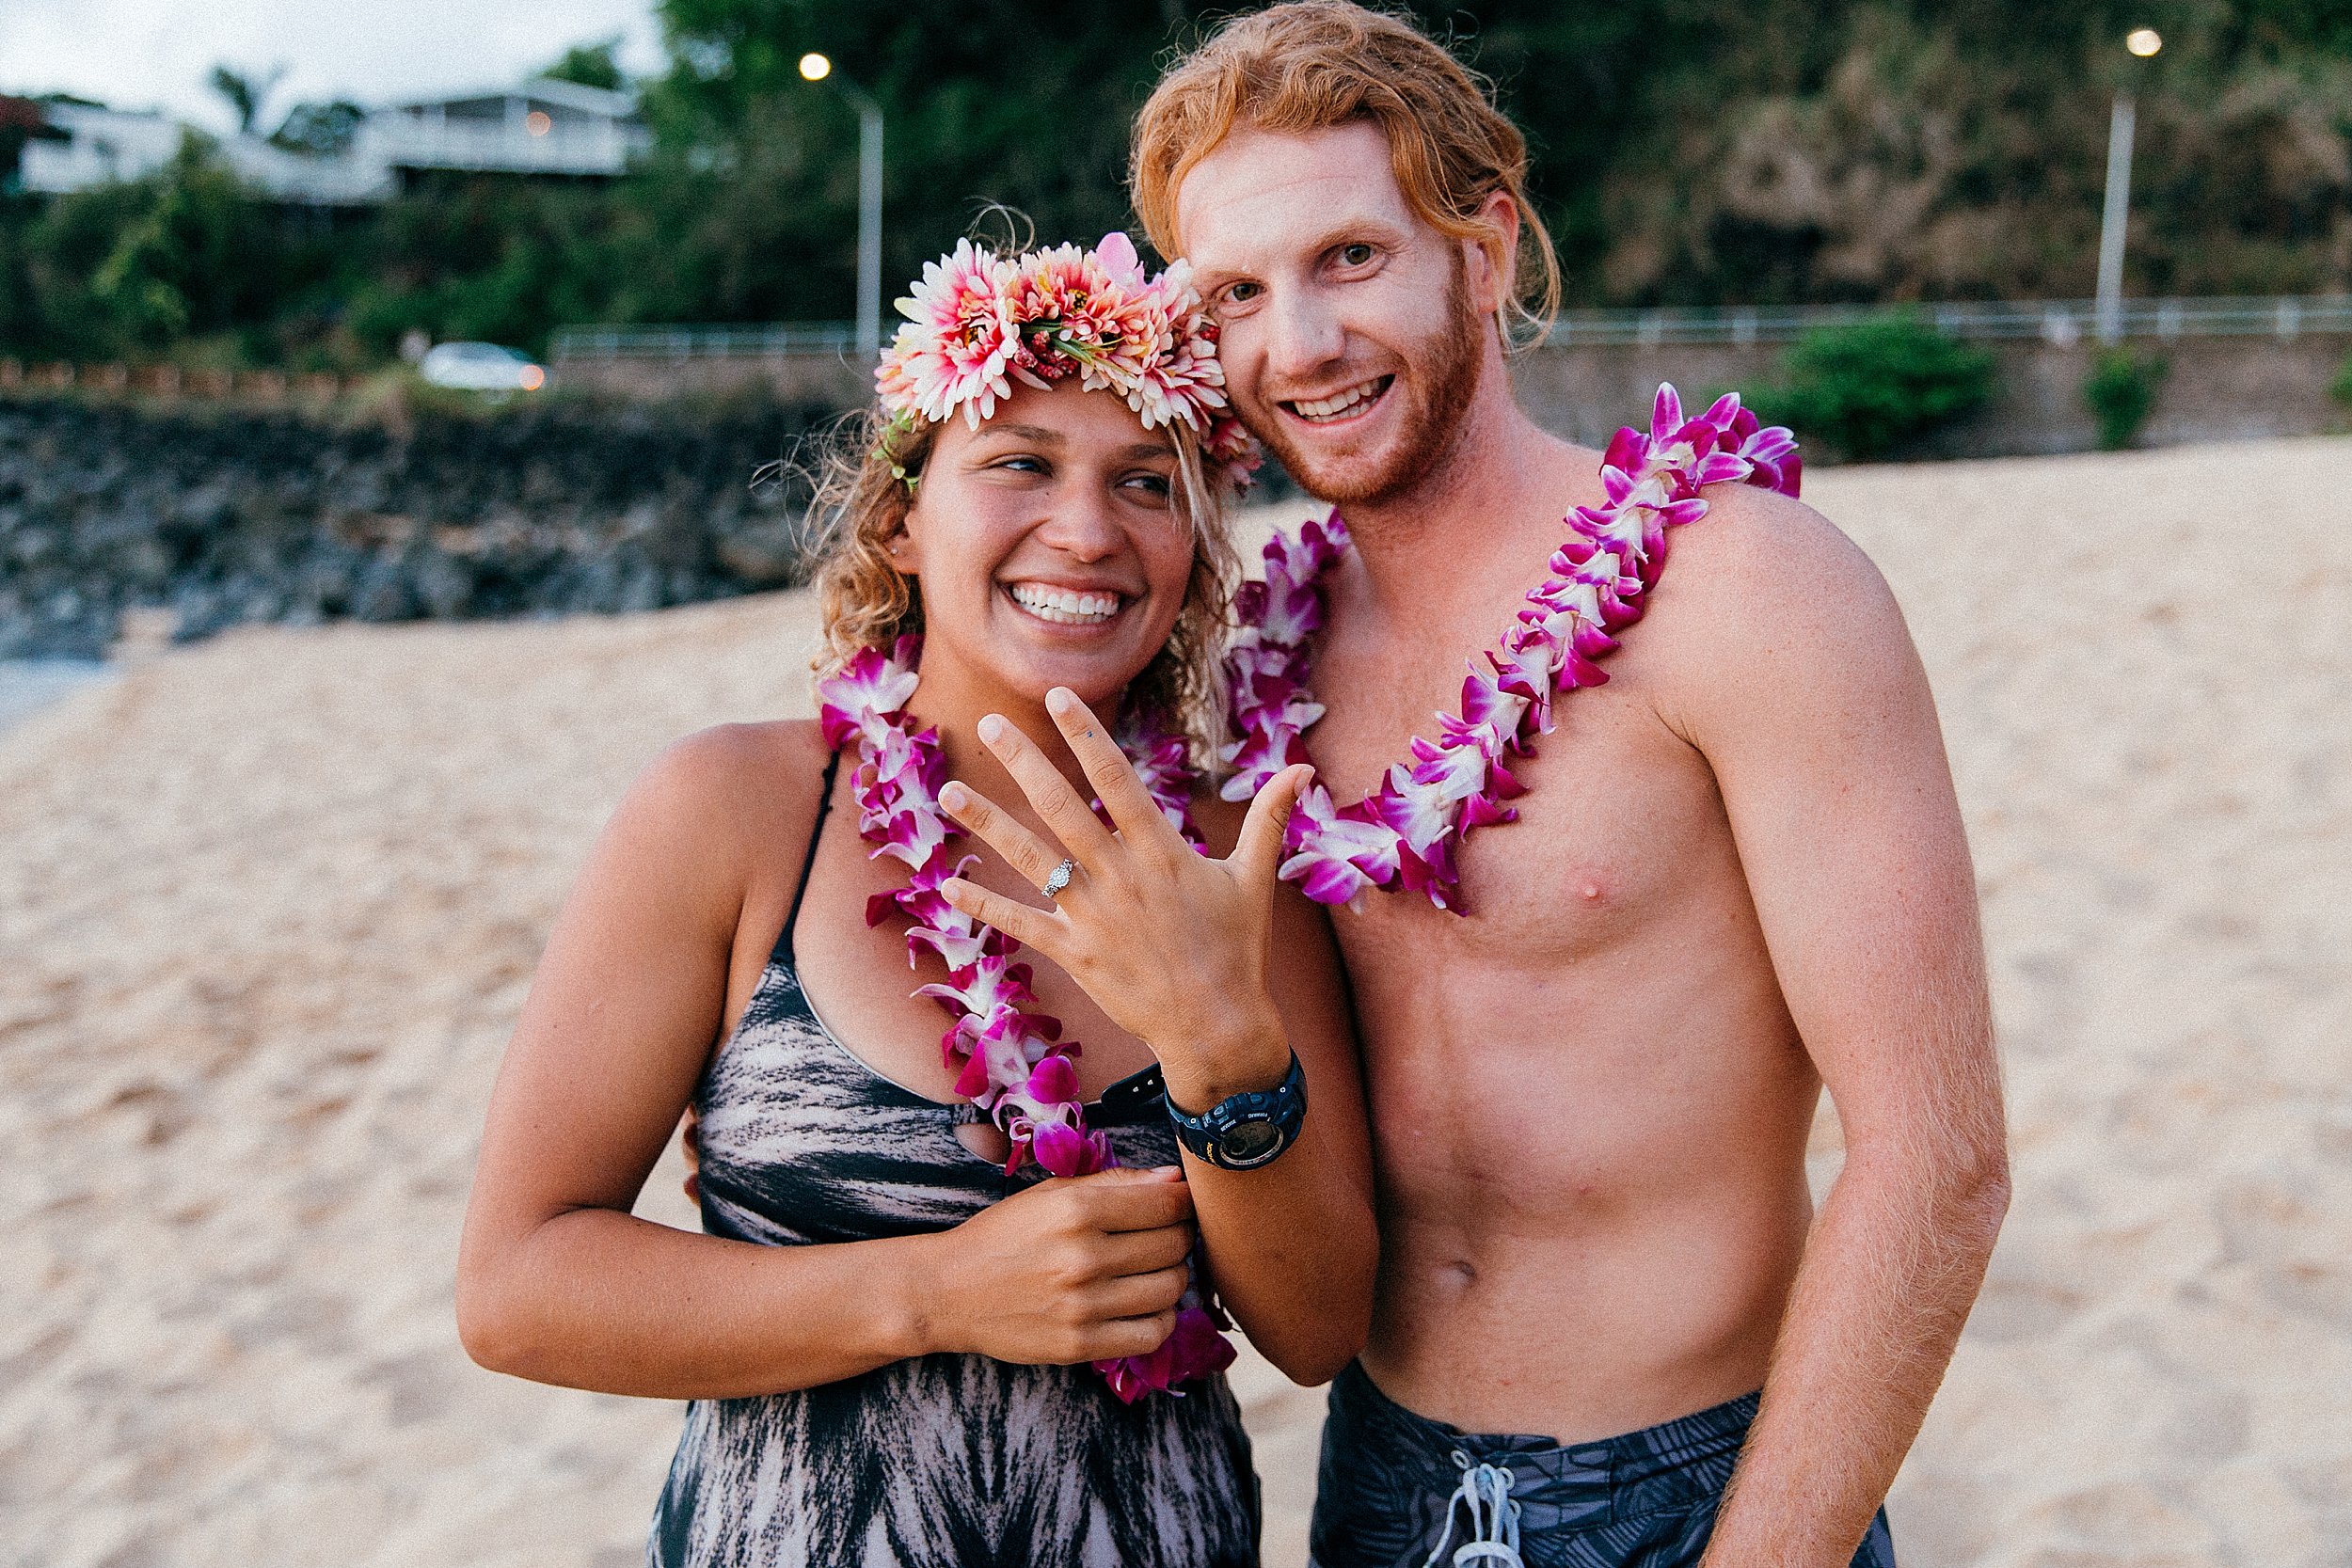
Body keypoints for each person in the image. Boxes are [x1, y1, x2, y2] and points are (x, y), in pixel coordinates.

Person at [1123, 6, 2012, 1566]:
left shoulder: (1741, 592)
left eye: (1348, 258)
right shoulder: (1256, 659)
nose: (1302, 344)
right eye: (1236, 295)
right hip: (1379, 1481)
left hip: (1697, 1486)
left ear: (1484, 245)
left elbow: (1935, 1158)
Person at [455, 231, 1377, 1568]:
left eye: (1144, 481)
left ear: (1192, 542)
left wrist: (1222, 1044)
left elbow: (1317, 1330)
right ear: (899, 515)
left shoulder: (1235, 862)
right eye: (1019, 462)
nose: (1087, 529)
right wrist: (933, 1293)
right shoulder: (735, 812)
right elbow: (517, 1288)